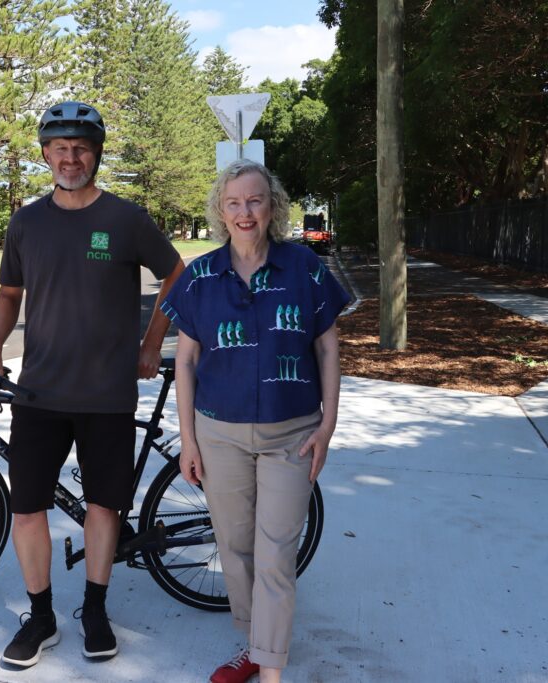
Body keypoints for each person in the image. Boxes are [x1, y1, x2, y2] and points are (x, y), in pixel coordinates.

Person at [0, 100, 185, 667]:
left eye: (82, 149)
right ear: (46, 154)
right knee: (27, 509)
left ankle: (94, 609)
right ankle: (40, 617)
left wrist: (150, 344)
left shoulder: (126, 219)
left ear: (97, 154)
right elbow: (9, 295)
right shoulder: (26, 222)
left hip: (107, 395)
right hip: (39, 393)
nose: (71, 158)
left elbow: (176, 274)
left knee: (103, 507)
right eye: (61, 148)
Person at [161, 159, 349, 683]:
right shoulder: (200, 277)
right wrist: (188, 440)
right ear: (221, 211)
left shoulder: (305, 268)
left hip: (292, 433)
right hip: (219, 434)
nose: (245, 212)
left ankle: (271, 672)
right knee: (235, 546)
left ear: (273, 207)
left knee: (275, 554)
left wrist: (328, 426)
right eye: (234, 203)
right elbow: (186, 361)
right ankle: (254, 645)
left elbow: (328, 350)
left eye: (255, 200)